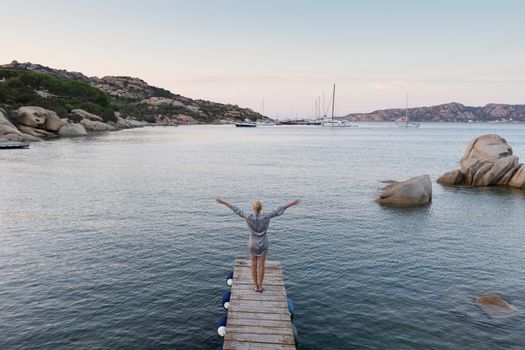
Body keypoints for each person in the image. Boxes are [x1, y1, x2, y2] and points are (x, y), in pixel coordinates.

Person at [216, 198, 301, 292]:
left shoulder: (248, 216)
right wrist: (292, 203)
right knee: (261, 266)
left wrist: (223, 202)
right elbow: (279, 209)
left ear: (253, 208)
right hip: (263, 243)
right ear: (261, 208)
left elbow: (236, 209)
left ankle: (255, 286)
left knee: (253, 265)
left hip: (252, 243)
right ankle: (260, 286)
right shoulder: (266, 216)